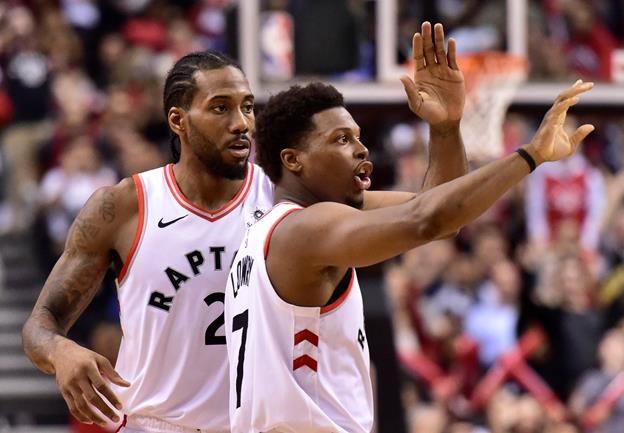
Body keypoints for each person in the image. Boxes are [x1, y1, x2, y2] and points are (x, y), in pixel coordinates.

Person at [23, 21, 469, 433]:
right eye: (220, 108)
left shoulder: (291, 197)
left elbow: (435, 215)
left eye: (248, 107)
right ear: (178, 120)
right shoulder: (124, 207)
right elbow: (40, 325)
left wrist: (446, 129)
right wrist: (61, 351)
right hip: (152, 424)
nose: (241, 124)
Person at [223, 77, 594, 431]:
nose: (361, 149)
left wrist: (445, 128)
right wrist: (530, 155)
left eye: (358, 136)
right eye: (341, 139)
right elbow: (428, 219)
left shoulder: (271, 231)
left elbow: (443, 215)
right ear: (293, 160)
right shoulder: (307, 229)